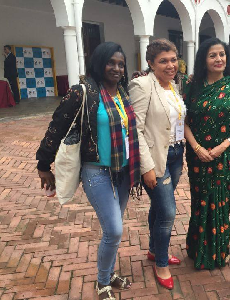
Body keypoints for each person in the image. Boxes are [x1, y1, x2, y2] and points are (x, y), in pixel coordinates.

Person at [36, 42, 140, 300]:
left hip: (123, 170)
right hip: (96, 171)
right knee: (114, 230)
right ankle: (102, 281)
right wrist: (43, 165)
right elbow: (56, 127)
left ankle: (110, 273)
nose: (116, 68)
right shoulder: (83, 92)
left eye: (121, 64)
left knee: (114, 229)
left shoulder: (123, 92)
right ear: (99, 62)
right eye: (111, 62)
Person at [184, 38, 230, 270]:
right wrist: (197, 148)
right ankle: (197, 248)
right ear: (204, 59)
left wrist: (223, 146)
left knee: (220, 201)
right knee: (200, 201)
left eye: (222, 54)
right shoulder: (192, 86)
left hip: (223, 156)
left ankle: (218, 251)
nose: (219, 59)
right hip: (197, 155)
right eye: (213, 55)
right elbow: (184, 121)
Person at [129, 39, 186, 290]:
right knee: (168, 212)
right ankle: (161, 263)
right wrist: (147, 167)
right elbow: (136, 129)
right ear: (151, 63)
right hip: (156, 159)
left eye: (173, 59)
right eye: (163, 60)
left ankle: (154, 250)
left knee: (159, 206)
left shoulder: (173, 86)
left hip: (175, 154)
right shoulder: (142, 86)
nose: (170, 65)